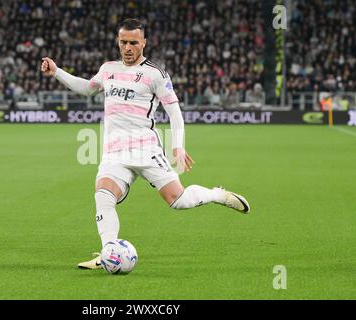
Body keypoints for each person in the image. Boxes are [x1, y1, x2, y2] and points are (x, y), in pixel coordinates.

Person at [40, 19, 250, 270]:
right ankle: (109, 252)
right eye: (123, 42)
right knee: (103, 196)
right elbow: (88, 88)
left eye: (133, 43)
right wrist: (57, 72)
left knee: (178, 200)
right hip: (114, 151)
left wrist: (178, 146)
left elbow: (174, 111)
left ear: (143, 43)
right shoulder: (108, 68)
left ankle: (217, 194)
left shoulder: (155, 74)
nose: (127, 48)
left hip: (146, 149)